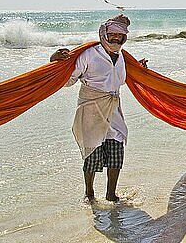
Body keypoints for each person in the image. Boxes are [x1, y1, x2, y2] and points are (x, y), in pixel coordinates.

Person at [50, 15, 146, 202]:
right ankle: (89, 193)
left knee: (116, 150)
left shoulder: (122, 57)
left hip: (113, 109)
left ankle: (111, 194)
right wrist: (54, 61)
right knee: (92, 154)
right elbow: (68, 80)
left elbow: (120, 80)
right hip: (91, 109)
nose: (116, 38)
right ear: (104, 33)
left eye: (120, 35)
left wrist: (139, 69)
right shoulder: (90, 54)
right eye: (113, 34)